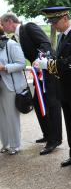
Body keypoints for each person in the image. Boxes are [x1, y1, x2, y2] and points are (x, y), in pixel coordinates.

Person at [34, 6, 71, 169]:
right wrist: (46, 60)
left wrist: (49, 64)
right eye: (51, 22)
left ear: (65, 18)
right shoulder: (62, 36)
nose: (53, 25)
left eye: (55, 21)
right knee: (70, 123)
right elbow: (60, 58)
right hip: (64, 88)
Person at [0, 13, 62, 155]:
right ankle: (47, 134)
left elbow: (45, 44)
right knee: (38, 102)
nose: (2, 27)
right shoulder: (14, 37)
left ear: (10, 21)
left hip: (48, 70)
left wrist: (41, 60)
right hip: (37, 73)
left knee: (52, 104)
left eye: (2, 24)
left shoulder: (28, 27)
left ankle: (55, 139)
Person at [0, 25, 26, 155]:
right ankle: (5, 144)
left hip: (9, 85)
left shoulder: (11, 45)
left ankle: (15, 145)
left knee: (11, 116)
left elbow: (21, 64)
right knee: (1, 117)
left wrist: (4, 67)